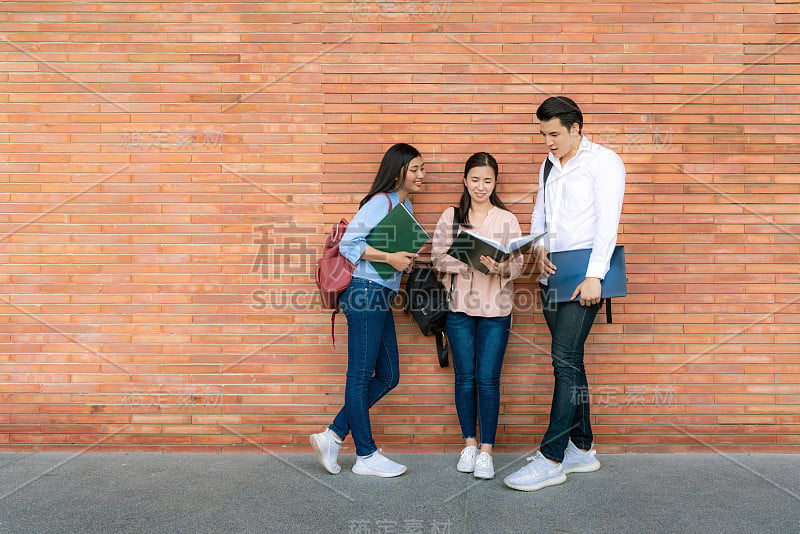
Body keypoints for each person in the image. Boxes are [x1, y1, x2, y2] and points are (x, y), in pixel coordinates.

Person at [503, 97, 626, 492]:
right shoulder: (548, 164)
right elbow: (541, 209)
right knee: (571, 362)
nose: (547, 142)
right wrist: (538, 244)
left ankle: (552, 457)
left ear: (576, 128)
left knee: (565, 359)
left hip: (584, 276)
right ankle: (583, 447)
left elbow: (608, 222)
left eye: (553, 134)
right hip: (552, 275)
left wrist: (596, 277)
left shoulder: (604, 162)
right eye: (543, 135)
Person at [310, 143, 425, 478]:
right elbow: (349, 244)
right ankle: (366, 454)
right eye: (415, 169)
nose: (422, 175)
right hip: (365, 293)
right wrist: (390, 258)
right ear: (398, 170)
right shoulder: (382, 201)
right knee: (360, 375)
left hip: (379, 295)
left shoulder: (406, 206)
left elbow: (383, 248)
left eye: (423, 169)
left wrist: (401, 261)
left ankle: (333, 435)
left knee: (388, 375)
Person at [431, 152, 524, 480]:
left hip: (496, 311)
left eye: (487, 180)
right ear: (465, 180)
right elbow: (437, 259)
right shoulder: (451, 216)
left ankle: (486, 450)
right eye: (474, 179)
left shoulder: (507, 219)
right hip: (459, 310)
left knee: (488, 380)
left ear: (495, 182)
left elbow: (518, 264)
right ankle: (468, 444)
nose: (480, 186)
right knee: (464, 378)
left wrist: (503, 267)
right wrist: (469, 260)